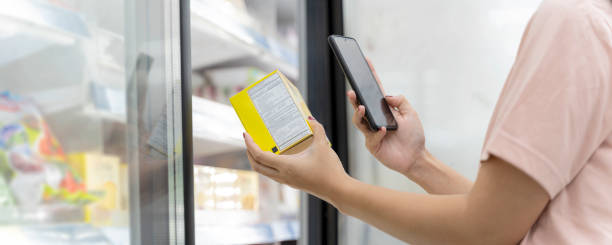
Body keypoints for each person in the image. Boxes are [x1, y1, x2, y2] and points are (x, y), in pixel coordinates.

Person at [242, 0, 612, 243]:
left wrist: (335, 188)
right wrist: (418, 162)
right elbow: (514, 217)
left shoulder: (578, 24)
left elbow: (487, 229)